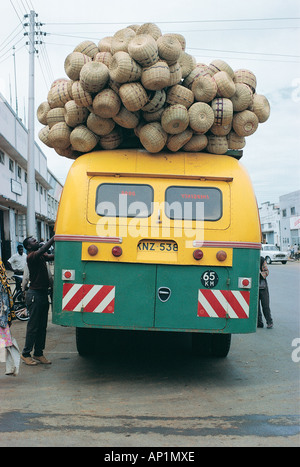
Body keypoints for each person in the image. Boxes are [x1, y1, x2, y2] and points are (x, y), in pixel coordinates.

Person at [21, 236, 54, 366]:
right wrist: (54, 237)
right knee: (33, 327)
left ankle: (38, 353)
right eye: (33, 241)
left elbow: (50, 256)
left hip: (42, 294)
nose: (36, 242)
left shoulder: (40, 256)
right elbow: (43, 249)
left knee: (42, 326)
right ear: (29, 247)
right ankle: (26, 354)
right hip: (34, 295)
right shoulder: (31, 256)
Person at [0, 258, 20, 376]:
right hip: (3, 317)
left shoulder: (2, 283)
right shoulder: (3, 282)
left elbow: (5, 300)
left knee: (7, 343)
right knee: (7, 343)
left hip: (2, 317)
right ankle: (12, 367)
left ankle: (13, 366)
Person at [257, 256, 273, 329]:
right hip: (254, 286)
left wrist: (260, 273)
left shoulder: (261, 259)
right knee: (256, 307)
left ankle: (269, 322)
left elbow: (266, 272)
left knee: (265, 305)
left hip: (262, 286)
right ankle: (259, 322)